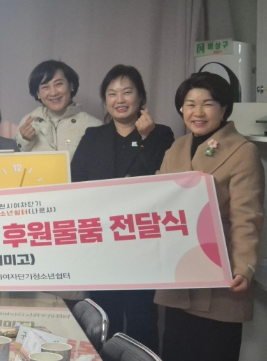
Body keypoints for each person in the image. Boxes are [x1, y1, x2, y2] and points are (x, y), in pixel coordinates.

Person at [154, 72, 264, 361]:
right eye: (190, 105)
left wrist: (244, 267)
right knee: (175, 352)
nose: (198, 113)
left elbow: (247, 216)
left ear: (224, 108)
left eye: (208, 104)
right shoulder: (177, 147)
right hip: (179, 272)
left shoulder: (243, 151)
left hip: (221, 276)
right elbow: (157, 197)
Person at [71, 65, 174, 351]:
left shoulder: (161, 135)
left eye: (127, 92)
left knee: (142, 319)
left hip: (142, 242)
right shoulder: (93, 136)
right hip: (102, 242)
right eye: (112, 93)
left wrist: (147, 138)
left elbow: (161, 183)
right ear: (105, 100)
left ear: (141, 97)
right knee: (104, 317)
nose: (120, 99)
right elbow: (76, 183)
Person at [15, 60, 101, 157]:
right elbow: (15, 162)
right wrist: (25, 140)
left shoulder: (94, 126)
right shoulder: (27, 123)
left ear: (71, 85)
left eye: (58, 84)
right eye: (45, 87)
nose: (53, 93)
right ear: (38, 93)